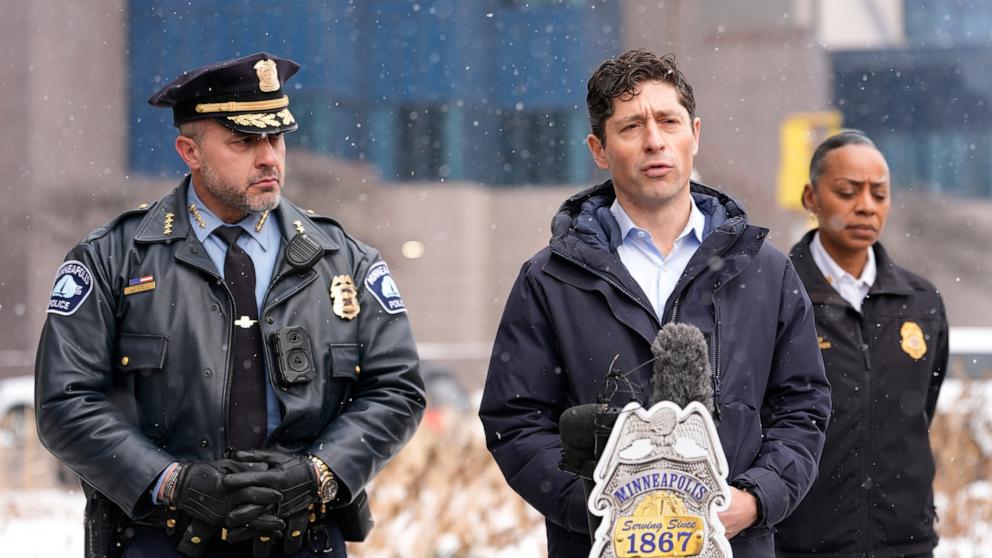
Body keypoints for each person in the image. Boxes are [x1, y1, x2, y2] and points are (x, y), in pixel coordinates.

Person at [35, 52, 425, 557]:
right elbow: (64, 402)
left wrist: (316, 475)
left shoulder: (344, 259)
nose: (269, 158)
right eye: (243, 142)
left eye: (276, 138)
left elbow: (397, 389)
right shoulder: (112, 258)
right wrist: (173, 482)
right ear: (189, 151)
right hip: (161, 538)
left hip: (303, 538)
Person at [478, 49, 832, 558]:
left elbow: (803, 405)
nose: (655, 141)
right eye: (631, 127)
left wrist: (755, 498)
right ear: (599, 149)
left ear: (695, 134)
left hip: (734, 544)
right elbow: (516, 422)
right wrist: (603, 508)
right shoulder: (550, 279)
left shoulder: (765, 270)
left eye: (669, 121)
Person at [775, 131, 948, 558]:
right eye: (847, 192)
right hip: (801, 544)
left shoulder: (920, 302)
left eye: (880, 194)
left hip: (904, 543)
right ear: (811, 197)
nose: (866, 206)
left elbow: (920, 407)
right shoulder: (775, 295)